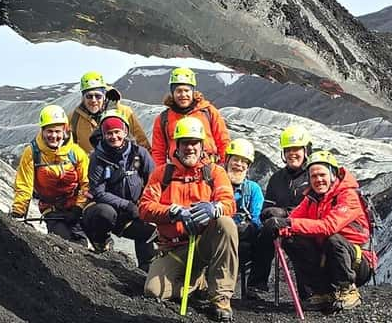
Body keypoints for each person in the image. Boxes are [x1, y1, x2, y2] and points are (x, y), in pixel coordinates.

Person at [140, 117, 238, 322]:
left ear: (202, 145)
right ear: (177, 145)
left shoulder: (214, 172)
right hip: (174, 248)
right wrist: (172, 212)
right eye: (185, 142)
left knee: (226, 224)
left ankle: (220, 298)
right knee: (153, 291)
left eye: (194, 142)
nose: (190, 148)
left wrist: (215, 208)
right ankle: (198, 284)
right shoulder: (162, 174)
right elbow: (145, 208)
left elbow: (229, 203)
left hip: (202, 245)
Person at [267, 150, 378, 313]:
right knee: (293, 241)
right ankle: (322, 293)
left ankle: (348, 290)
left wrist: (287, 223)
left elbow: (329, 226)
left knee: (333, 239)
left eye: (322, 175)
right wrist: (279, 227)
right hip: (329, 257)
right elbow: (294, 220)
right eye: (313, 176)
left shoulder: (348, 196)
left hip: (358, 262)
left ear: (333, 174)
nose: (318, 180)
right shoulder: (311, 199)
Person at [82, 109, 157, 269]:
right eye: (109, 133)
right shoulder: (98, 158)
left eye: (117, 131)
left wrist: (144, 204)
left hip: (137, 207)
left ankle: (146, 267)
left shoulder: (139, 153)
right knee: (104, 213)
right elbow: (98, 192)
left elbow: (154, 180)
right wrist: (127, 205)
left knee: (149, 231)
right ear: (103, 134)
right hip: (112, 211)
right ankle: (101, 241)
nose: (114, 136)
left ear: (125, 131)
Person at [245, 124, 313, 299]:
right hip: (278, 228)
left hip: (304, 227)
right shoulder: (277, 179)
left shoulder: (313, 176)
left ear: (306, 150)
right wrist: (270, 213)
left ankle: (309, 293)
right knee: (265, 230)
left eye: (296, 149)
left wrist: (285, 213)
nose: (292, 153)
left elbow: (314, 208)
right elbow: (267, 207)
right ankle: (256, 284)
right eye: (288, 149)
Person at [11, 104, 89, 245]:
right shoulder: (32, 153)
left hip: (76, 208)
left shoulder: (76, 153)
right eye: (49, 131)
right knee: (63, 242)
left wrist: (78, 208)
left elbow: (87, 183)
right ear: (42, 131)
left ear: (65, 130)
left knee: (81, 243)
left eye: (57, 131)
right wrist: (18, 211)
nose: (54, 136)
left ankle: (102, 241)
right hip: (52, 210)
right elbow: (24, 184)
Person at [150, 67, 230, 169]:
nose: (183, 95)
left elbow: (223, 141)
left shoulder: (208, 111)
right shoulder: (163, 119)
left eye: (186, 90)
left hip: (209, 169)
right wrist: (160, 174)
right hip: (178, 173)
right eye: (178, 91)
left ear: (193, 91)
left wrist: (224, 167)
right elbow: (158, 151)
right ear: (172, 92)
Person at [70, 71, 149, 153]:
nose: (94, 100)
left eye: (98, 96)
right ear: (83, 97)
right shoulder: (73, 118)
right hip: (90, 165)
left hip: (124, 163)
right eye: (89, 96)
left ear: (104, 96)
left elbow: (142, 142)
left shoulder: (124, 112)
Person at [225, 138, 263, 285]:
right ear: (227, 160)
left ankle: (255, 285)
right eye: (235, 160)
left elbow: (256, 219)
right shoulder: (215, 184)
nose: (239, 165)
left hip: (245, 241)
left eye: (244, 162)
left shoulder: (253, 189)